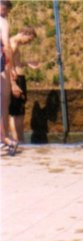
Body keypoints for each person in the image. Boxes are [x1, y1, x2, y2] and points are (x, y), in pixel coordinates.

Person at [8, 26, 38, 143]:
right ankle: (17, 140)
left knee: (18, 112)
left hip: (18, 79)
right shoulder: (13, 44)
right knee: (16, 113)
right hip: (16, 80)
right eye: (29, 39)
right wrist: (13, 84)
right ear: (24, 33)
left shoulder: (14, 44)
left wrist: (27, 63)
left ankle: (19, 139)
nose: (28, 43)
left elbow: (15, 63)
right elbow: (7, 64)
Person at [0, 0, 18, 155]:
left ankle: (4, 139)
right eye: (7, 11)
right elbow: (6, 45)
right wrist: (11, 67)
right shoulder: (3, 22)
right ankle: (5, 139)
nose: (7, 14)